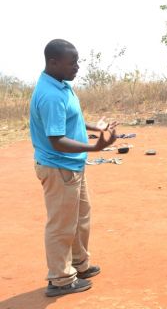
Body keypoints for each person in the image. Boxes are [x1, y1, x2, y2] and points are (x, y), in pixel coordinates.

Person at [30, 39, 118, 297]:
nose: (77, 67)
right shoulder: (50, 95)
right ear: (53, 62)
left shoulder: (61, 85)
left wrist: (96, 129)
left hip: (72, 167)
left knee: (81, 219)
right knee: (61, 226)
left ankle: (79, 265)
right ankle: (60, 279)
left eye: (77, 61)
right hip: (59, 168)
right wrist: (95, 148)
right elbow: (57, 141)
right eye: (72, 63)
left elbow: (73, 118)